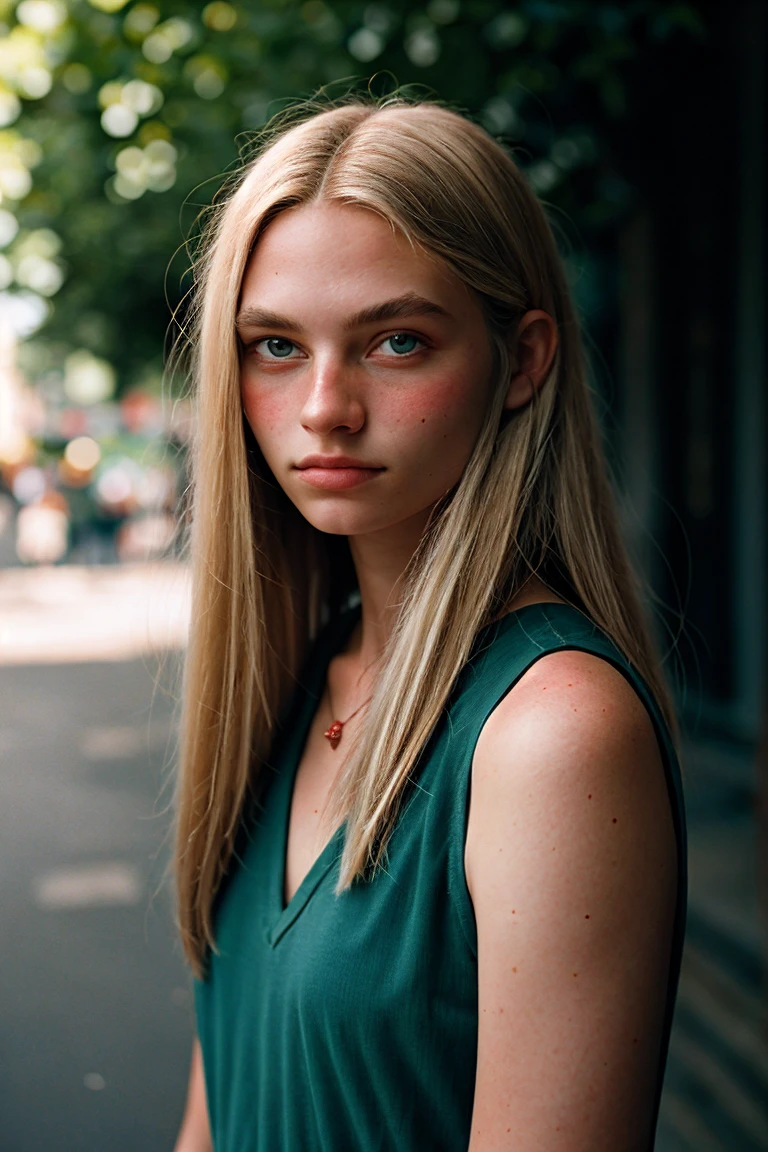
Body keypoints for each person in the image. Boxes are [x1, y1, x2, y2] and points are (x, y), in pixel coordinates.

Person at [172, 94, 686, 1152]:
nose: (324, 406)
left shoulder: (549, 735)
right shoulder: (297, 675)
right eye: (274, 346)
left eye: (396, 340)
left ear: (524, 360)